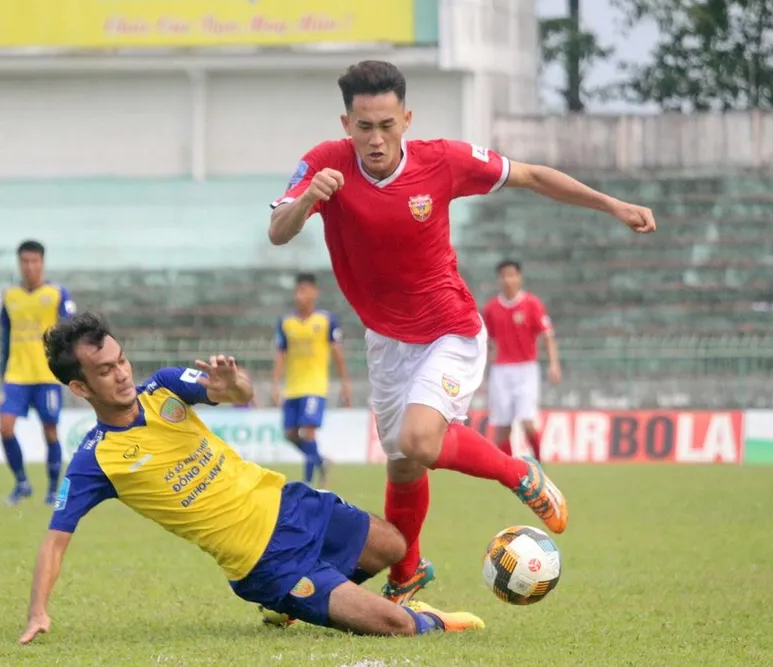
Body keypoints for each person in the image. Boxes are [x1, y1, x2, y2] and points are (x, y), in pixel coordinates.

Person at [267, 60, 656, 604]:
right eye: (364, 127)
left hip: (448, 329)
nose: (375, 139)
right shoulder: (324, 163)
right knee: (403, 466)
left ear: (406, 119)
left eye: (386, 125)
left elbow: (531, 175)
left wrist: (612, 204)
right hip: (386, 342)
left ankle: (518, 471)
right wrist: (310, 197)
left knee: (419, 441)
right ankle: (407, 574)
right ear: (346, 123)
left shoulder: (443, 161)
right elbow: (278, 231)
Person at [17, 312, 484, 645]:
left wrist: (232, 383)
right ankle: (424, 620)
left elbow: (239, 393)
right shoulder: (95, 459)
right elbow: (55, 541)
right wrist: (38, 611)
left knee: (394, 545)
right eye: (105, 370)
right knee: (396, 625)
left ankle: (295, 606)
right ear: (80, 387)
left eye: (121, 360)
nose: (122, 374)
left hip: (290, 502)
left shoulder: (163, 387)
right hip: (265, 563)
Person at [0, 240, 76, 506]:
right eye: (25, 261)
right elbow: (5, 337)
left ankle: (53, 490)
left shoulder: (57, 294)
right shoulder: (9, 296)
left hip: (46, 376)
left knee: (50, 431)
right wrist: (2, 374)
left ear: (42, 263)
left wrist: (69, 371)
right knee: (4, 427)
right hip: (16, 376)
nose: (29, 266)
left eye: (34, 261)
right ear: (19, 263)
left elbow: (70, 333)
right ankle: (22, 483)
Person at [270, 272, 351, 488]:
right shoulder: (286, 322)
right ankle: (321, 461)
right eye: (298, 291)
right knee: (290, 433)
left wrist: (345, 383)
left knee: (308, 432)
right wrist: (275, 385)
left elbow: (337, 353)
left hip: (315, 386)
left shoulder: (326, 320)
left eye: (305, 290)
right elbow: (280, 355)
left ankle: (307, 482)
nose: (301, 295)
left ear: (315, 293)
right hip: (292, 387)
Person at [483, 260, 560, 460]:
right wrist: (483, 375)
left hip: (526, 370)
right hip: (500, 371)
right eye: (503, 275)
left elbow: (547, 336)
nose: (508, 280)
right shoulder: (491, 308)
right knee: (502, 427)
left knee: (527, 422)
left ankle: (539, 466)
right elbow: (488, 344)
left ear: (519, 277)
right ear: (498, 279)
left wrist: (554, 364)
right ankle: (508, 472)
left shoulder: (532, 304)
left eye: (511, 275)